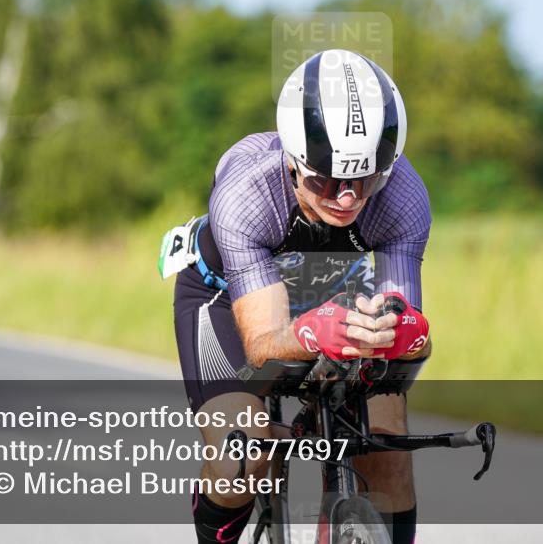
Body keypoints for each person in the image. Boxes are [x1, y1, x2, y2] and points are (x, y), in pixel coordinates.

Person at [166, 48, 432, 544]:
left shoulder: (403, 196)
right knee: (241, 458)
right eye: (325, 178)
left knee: (387, 448)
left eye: (366, 178)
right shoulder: (248, 194)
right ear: (293, 160)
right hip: (227, 298)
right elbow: (262, 343)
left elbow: (406, 326)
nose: (347, 197)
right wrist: (312, 333)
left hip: (337, 293)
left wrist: (408, 334)